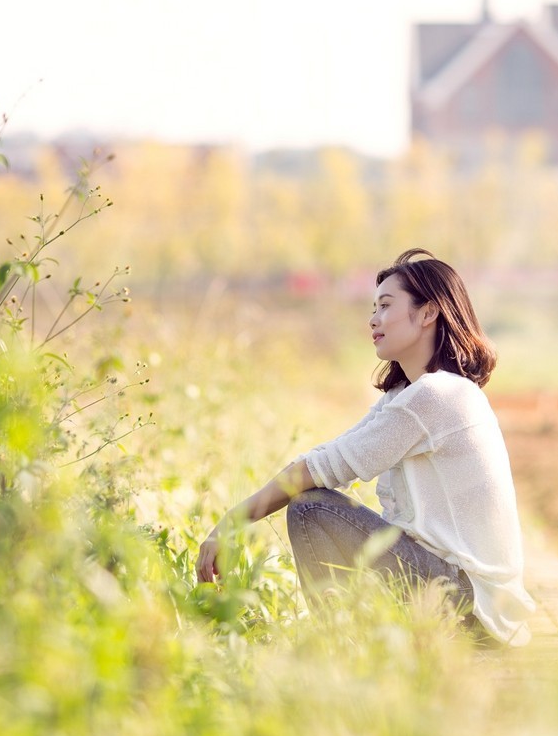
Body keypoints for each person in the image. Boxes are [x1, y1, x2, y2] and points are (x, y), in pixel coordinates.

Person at [195, 248, 536, 647]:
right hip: (462, 596)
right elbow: (329, 455)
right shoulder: (409, 394)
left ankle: (340, 644)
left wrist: (228, 525)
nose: (373, 319)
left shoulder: (435, 396)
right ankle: (358, 636)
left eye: (386, 306)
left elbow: (316, 471)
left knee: (311, 507)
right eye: (373, 307)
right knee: (317, 502)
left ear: (428, 313)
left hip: (467, 606)